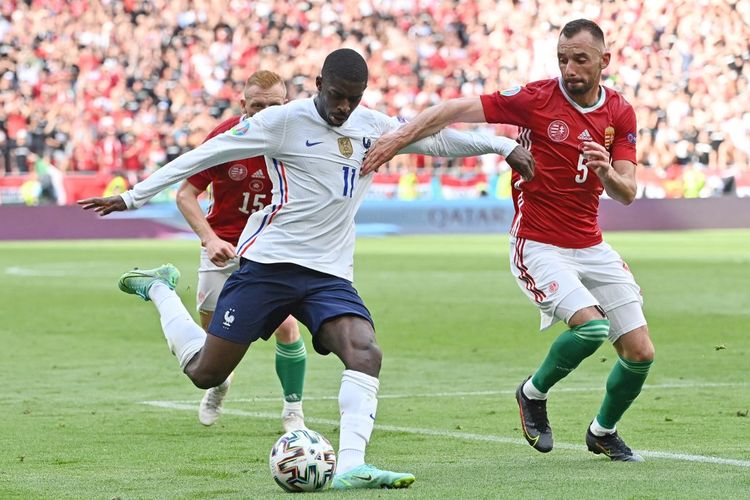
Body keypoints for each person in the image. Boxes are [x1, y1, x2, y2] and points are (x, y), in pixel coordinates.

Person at [79, 48, 534, 489]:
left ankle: (352, 467)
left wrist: (499, 145)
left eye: (352, 98)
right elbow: (203, 156)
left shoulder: (371, 124)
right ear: (318, 84)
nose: (342, 107)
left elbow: (434, 139)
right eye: (336, 95)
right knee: (206, 373)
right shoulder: (282, 121)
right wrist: (133, 196)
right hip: (268, 266)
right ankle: (160, 289)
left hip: (329, 274)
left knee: (365, 352)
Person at [361, 19, 655, 462]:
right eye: (562, 59)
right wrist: (400, 138)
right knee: (591, 327)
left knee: (640, 353)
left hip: (591, 244)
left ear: (604, 61)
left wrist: (607, 172)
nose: (569, 69)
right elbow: (453, 109)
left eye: (580, 59)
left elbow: (628, 193)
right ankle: (532, 394)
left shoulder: (620, 112)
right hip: (539, 243)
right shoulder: (536, 99)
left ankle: (602, 431)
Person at [175, 70, 307, 429]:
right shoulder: (224, 138)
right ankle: (220, 382)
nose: (265, 112)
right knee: (213, 334)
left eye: (274, 106)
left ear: (287, 105)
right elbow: (185, 194)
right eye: (257, 105)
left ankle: (293, 410)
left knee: (287, 325)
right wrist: (209, 238)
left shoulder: (300, 138)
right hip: (223, 245)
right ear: (243, 104)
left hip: (271, 247)